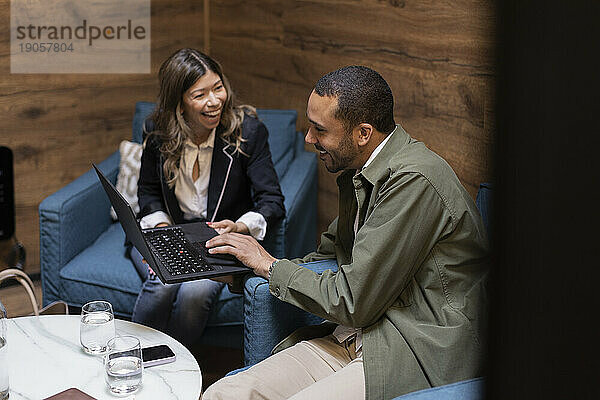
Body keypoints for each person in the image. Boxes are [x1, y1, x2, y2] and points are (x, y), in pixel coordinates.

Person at [202, 66, 489, 399]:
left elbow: (354, 300)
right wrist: (237, 268)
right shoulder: (362, 175)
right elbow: (326, 258)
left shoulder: (414, 181)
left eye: (319, 130)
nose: (309, 139)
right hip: (352, 336)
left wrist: (268, 264)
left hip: (411, 346)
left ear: (363, 133)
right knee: (222, 394)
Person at [130, 48, 285, 348]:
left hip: (216, 242)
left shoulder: (248, 132)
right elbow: (148, 192)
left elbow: (272, 201)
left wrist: (239, 227)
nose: (214, 101)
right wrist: (162, 230)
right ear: (180, 102)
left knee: (194, 294)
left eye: (218, 88)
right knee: (161, 285)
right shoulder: (157, 131)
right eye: (199, 95)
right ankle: (133, 358)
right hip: (168, 231)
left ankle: (173, 365)